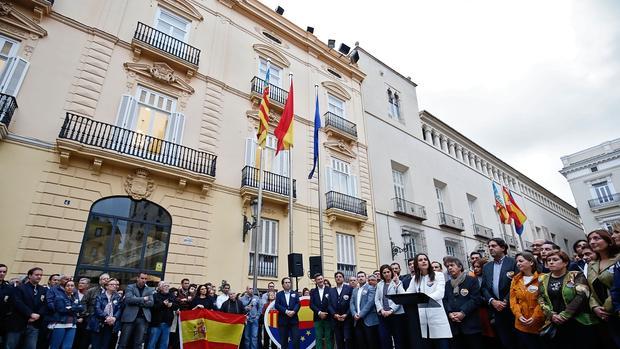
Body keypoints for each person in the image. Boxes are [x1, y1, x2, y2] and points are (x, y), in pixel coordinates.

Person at [538, 251, 597, 348]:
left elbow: (582, 295)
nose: (551, 262)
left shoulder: (576, 275)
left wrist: (565, 315)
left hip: (578, 320)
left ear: (565, 263)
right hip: (555, 322)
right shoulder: (542, 278)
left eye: (555, 260)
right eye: (548, 260)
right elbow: (540, 298)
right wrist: (551, 314)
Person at [407, 253, 451, 349]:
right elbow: (408, 294)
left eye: (425, 259)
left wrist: (421, 298)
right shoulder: (415, 278)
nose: (423, 261)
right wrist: (397, 285)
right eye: (420, 260)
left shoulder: (438, 275)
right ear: (416, 264)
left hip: (437, 319)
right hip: (423, 321)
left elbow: (440, 293)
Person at [481, 238, 518, 349]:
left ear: (503, 248)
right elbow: (484, 288)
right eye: (489, 246)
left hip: (512, 308)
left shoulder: (513, 263)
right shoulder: (487, 266)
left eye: (494, 246)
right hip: (496, 310)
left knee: (517, 340)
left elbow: (516, 285)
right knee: (504, 340)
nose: (490, 248)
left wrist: (504, 301)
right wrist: (493, 301)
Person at [586, 229, 620, 347]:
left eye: (596, 238)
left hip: (616, 310)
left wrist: (607, 307)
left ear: (609, 240)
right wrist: (594, 306)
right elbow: (589, 289)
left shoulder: (618, 259)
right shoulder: (592, 265)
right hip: (602, 316)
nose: (592, 242)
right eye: (589, 239)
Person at [444, 256, 481, 349]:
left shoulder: (471, 280)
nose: (449, 268)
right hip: (454, 326)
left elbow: (475, 299)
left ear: (460, 267)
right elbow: (445, 300)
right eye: (447, 266)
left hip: (470, 325)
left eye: (452, 265)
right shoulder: (447, 284)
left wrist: (463, 312)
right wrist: (449, 313)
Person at [509, 252, 545, 349]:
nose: (518, 264)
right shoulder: (515, 280)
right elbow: (513, 300)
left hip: (539, 324)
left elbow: (544, 300)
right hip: (521, 325)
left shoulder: (542, 278)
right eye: (517, 262)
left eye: (521, 261)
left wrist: (535, 316)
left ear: (531, 262)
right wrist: (518, 315)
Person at [6, 267, 47, 349]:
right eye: (36, 275)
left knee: (31, 346)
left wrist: (38, 315)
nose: (39, 277)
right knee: (11, 346)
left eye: (41, 275)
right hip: (18, 322)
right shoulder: (20, 288)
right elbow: (18, 303)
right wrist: (30, 314)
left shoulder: (43, 290)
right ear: (30, 275)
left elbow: (45, 304)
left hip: (34, 324)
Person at [118, 272, 154, 349]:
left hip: (142, 319)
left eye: (145, 279)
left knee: (138, 344)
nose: (144, 280)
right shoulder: (130, 287)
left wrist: (136, 300)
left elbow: (151, 303)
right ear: (137, 278)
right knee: (123, 342)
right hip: (129, 318)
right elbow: (128, 300)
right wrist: (143, 299)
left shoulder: (149, 289)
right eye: (142, 278)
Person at [375, 264, 406, 349]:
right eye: (384, 272)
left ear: (391, 272)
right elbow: (377, 299)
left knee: (398, 338)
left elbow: (400, 298)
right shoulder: (379, 284)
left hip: (396, 315)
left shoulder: (398, 282)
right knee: (384, 337)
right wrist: (381, 310)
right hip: (383, 315)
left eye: (388, 272)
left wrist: (391, 310)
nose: (386, 274)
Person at [47, 280, 84, 349]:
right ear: (64, 288)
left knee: (67, 347)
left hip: (72, 324)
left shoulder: (75, 298)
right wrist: (75, 308)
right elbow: (62, 310)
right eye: (68, 286)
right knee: (55, 346)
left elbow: (81, 308)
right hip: (60, 323)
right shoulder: (59, 297)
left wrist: (70, 308)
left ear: (74, 287)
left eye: (72, 285)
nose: (70, 287)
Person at [87, 278, 121, 349]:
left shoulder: (117, 297)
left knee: (105, 345)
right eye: (112, 284)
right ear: (106, 286)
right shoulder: (99, 296)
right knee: (96, 345)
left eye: (115, 284)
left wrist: (114, 318)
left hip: (110, 325)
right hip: (98, 323)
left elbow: (120, 309)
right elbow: (97, 308)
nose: (114, 286)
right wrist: (106, 317)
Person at [350, 271, 379, 349]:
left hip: (368, 320)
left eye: (362, 276)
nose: (360, 278)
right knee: (360, 342)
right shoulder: (355, 290)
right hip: (357, 320)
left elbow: (370, 303)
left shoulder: (371, 288)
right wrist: (354, 314)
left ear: (366, 278)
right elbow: (351, 303)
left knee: (371, 343)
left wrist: (360, 314)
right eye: (358, 277)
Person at [148, 281, 178, 349]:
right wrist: (163, 304)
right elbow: (152, 307)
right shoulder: (155, 296)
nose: (167, 287)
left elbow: (177, 305)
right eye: (165, 286)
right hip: (156, 323)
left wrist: (172, 305)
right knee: (152, 342)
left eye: (168, 286)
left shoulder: (172, 295)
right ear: (160, 287)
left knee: (164, 344)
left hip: (167, 323)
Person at [329, 271, 353, 349]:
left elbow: (352, 303)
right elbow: (329, 305)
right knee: (339, 340)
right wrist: (334, 315)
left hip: (347, 319)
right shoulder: (331, 290)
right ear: (335, 279)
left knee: (348, 339)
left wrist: (346, 314)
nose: (338, 278)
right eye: (337, 277)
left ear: (343, 278)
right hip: (335, 319)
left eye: (340, 276)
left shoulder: (349, 288)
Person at [275, 277, 300, 349]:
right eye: (286, 282)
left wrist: (294, 311)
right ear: (282, 285)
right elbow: (277, 305)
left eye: (289, 282)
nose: (288, 284)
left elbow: (298, 304)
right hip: (283, 321)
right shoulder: (279, 294)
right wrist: (286, 311)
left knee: (296, 340)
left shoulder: (295, 293)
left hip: (294, 321)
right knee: (284, 342)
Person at [310, 273, 333, 349]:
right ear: (315, 281)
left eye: (321, 279)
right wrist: (319, 313)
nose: (320, 280)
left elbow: (332, 303)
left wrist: (325, 313)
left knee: (328, 338)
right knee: (318, 338)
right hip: (317, 317)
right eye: (318, 279)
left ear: (323, 279)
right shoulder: (313, 291)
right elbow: (311, 304)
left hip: (328, 317)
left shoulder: (330, 290)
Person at [0, 264, 12, 346]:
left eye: (4, 272)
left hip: (2, 321)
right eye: (0, 271)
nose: (2, 273)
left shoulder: (8, 287)